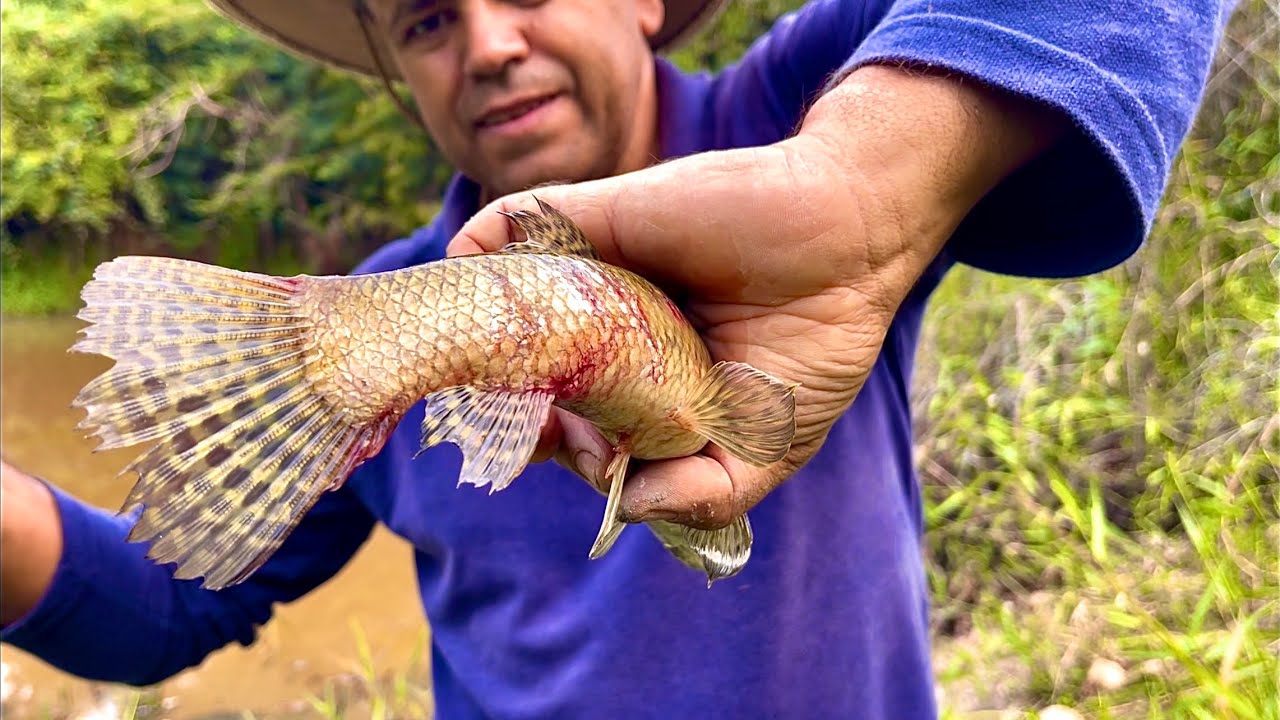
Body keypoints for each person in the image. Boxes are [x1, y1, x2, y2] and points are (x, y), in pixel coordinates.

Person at [1, 0, 1232, 717]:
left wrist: (866, 184)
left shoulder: (796, 111)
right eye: (426, 17)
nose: (488, 42)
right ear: (395, 70)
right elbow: (171, 594)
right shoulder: (365, 322)